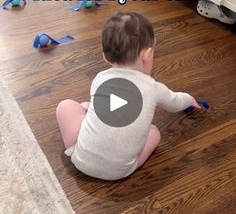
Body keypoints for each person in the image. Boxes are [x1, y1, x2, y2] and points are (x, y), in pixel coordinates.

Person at [56, 12, 200, 180]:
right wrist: (189, 99)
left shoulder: (100, 79)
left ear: (104, 55)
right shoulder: (153, 88)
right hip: (119, 173)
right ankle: (131, 162)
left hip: (80, 160)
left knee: (66, 105)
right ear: (147, 55)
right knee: (154, 132)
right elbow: (175, 102)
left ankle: (84, 123)